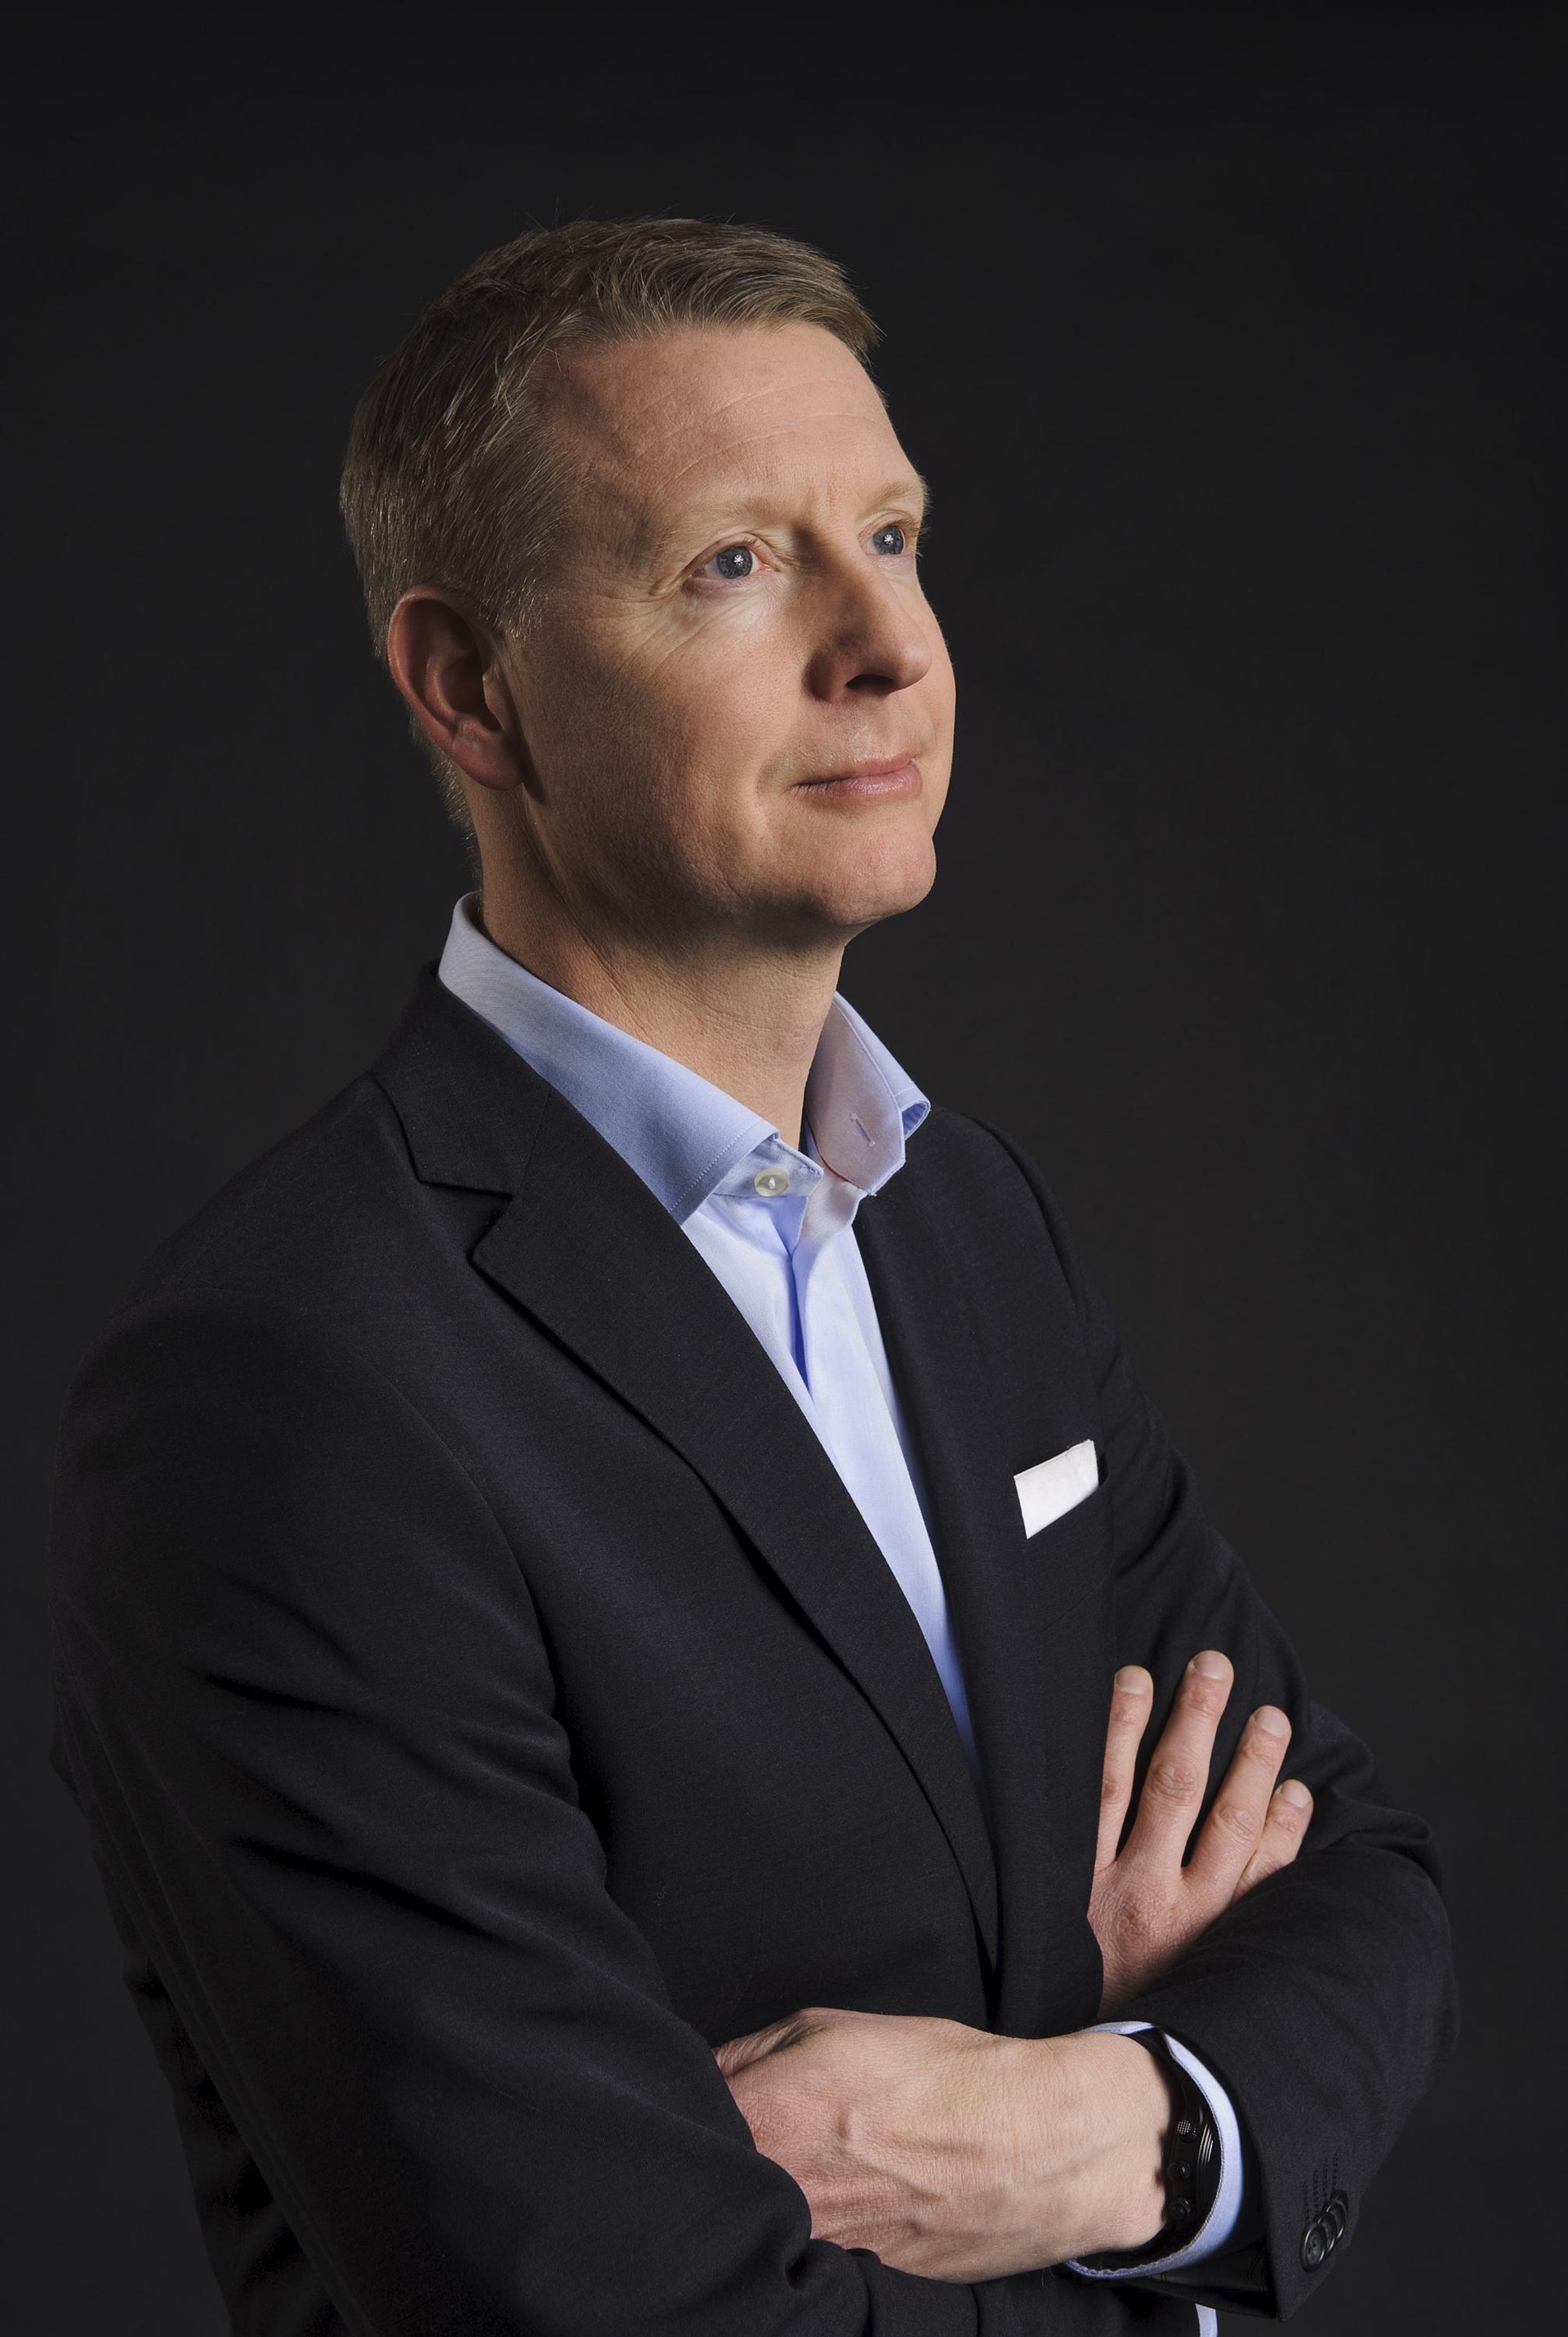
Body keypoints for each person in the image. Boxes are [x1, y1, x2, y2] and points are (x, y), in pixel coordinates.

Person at [49, 217, 1455, 2335]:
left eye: (891, 536)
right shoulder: (287, 1381)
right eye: (733, 563)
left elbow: (1355, 1881)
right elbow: (612, 2302)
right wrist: (1157, 2240)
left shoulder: (972, 1227)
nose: (888, 645)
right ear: (471, 687)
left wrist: (1117, 2129)